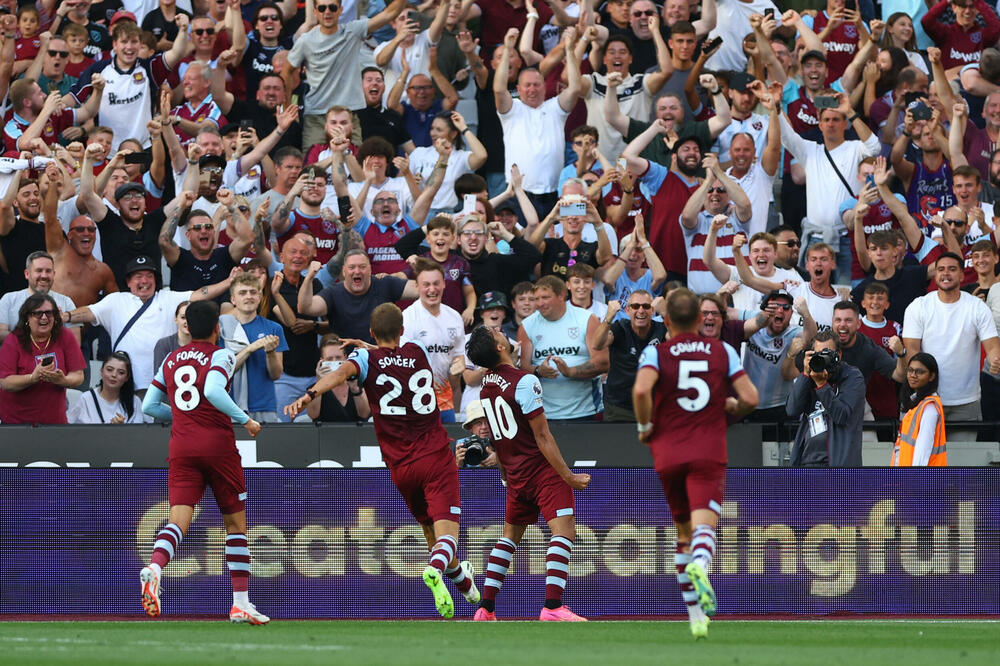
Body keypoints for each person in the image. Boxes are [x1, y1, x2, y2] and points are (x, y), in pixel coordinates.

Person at [285, 303, 480, 618]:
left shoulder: (365, 359)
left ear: (372, 332)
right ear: (402, 331)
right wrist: (373, 347)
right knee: (448, 537)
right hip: (434, 456)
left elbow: (341, 373)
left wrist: (309, 395)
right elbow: (396, 358)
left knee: (429, 528)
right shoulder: (418, 353)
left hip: (401, 467)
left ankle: (462, 581)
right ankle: (434, 569)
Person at [631, 288, 758, 639]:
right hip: (708, 450)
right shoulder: (723, 350)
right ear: (701, 319)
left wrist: (644, 428)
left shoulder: (655, 352)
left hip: (667, 452)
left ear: (667, 320)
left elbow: (641, 391)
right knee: (703, 531)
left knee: (682, 533)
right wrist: (734, 408)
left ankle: (695, 616)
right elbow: (750, 397)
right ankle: (702, 565)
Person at [138, 300, 267, 624]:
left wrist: (182, 418)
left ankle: (154, 568)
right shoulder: (221, 354)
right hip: (218, 447)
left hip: (182, 446)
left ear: (186, 327)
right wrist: (245, 419)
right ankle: (240, 603)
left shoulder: (170, 359)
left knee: (178, 521)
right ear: (216, 329)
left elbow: (149, 407)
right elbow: (212, 389)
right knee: (235, 526)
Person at [465, 325, 591, 622]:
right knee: (564, 532)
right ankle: (553, 606)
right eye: (496, 332)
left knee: (509, 538)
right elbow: (543, 435)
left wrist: (506, 472)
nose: (499, 330)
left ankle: (485, 608)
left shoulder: (486, 386)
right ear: (499, 348)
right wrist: (568, 476)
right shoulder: (524, 381)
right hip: (541, 470)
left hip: (516, 476)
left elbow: (497, 436)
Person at [902, 252, 1000, 437]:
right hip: (926, 398)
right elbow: (912, 352)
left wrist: (995, 358)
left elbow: (993, 346)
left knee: (962, 464)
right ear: (935, 274)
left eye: (952, 269)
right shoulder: (919, 306)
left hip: (966, 401)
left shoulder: (977, 307)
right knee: (925, 463)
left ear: (962, 275)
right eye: (941, 269)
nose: (945, 273)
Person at [517, 276, 608, 421]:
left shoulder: (587, 319)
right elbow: (523, 368)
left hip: (586, 411)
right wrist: (539, 371)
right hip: (544, 414)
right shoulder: (527, 326)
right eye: (536, 299)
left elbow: (603, 362)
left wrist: (570, 371)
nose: (540, 303)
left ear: (561, 295)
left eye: (545, 297)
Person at [0, 293, 85, 424]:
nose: (44, 317)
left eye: (49, 313)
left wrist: (63, 380)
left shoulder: (65, 336)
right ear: (27, 317)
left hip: (54, 421)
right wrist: (32, 378)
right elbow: (6, 382)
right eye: (38, 313)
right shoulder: (14, 339)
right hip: (16, 421)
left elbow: (78, 375)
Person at [788, 331, 867, 467]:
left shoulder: (853, 377)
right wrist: (805, 375)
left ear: (839, 354)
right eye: (818, 354)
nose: (823, 359)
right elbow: (792, 409)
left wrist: (821, 385)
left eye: (828, 353)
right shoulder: (810, 377)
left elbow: (841, 415)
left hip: (838, 467)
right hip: (807, 462)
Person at [402, 259, 466, 423]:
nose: (432, 289)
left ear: (444, 284)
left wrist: (459, 364)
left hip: (446, 402)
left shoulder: (454, 317)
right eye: (426, 284)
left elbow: (458, 355)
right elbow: (402, 363)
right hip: (415, 403)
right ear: (417, 286)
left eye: (436, 283)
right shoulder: (408, 318)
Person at [594, 290, 667, 422]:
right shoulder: (619, 327)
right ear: (627, 310)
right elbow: (597, 344)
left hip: (656, 407)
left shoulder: (662, 329)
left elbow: (683, 341)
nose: (640, 310)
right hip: (619, 408)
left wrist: (666, 314)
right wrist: (609, 317)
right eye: (635, 306)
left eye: (646, 306)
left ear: (652, 310)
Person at [892, 353, 948, 466]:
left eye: (920, 372)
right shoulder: (916, 403)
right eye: (910, 370)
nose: (913, 375)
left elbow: (923, 449)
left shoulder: (929, 407)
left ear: (932, 376)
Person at [68, 350, 147, 424]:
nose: (114, 375)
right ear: (101, 371)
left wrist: (123, 429)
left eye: (121, 372)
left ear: (127, 377)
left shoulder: (135, 402)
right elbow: (69, 428)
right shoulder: (86, 398)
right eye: (109, 370)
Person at [306, 334, 371, 422]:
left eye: (338, 358)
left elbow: (364, 415)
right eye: (329, 359)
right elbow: (313, 415)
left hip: (355, 433)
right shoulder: (314, 388)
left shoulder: (357, 384)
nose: (334, 362)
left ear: (345, 358)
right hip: (325, 433)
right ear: (322, 361)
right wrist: (319, 383)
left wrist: (354, 388)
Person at [454, 399, 498, 468]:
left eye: (487, 422)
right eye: (478, 423)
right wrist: (458, 465)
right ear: (470, 427)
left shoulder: (502, 443)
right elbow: (455, 478)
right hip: (470, 478)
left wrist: (500, 460)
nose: (484, 427)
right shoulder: (463, 444)